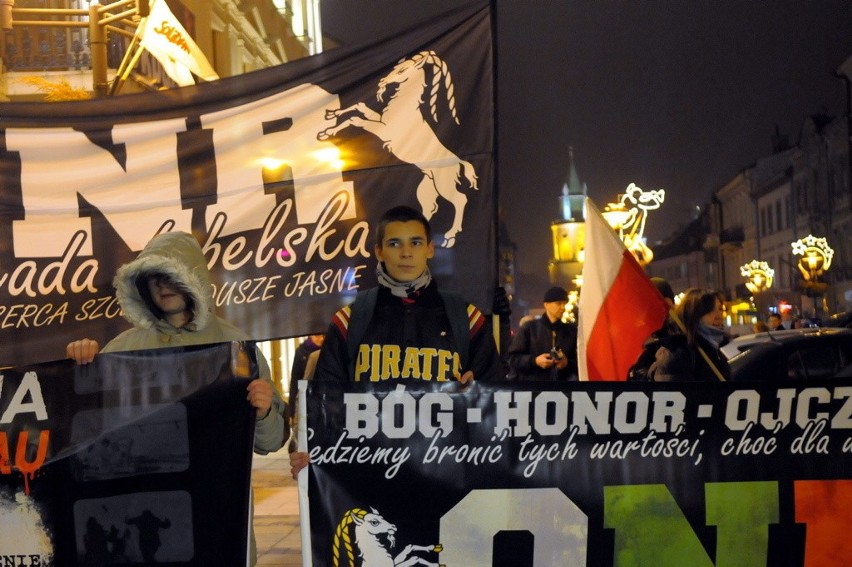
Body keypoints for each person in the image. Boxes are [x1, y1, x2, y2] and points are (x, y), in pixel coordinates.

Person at [66, 231, 287, 566]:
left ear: (194, 278)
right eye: (153, 279)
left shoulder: (235, 350)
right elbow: (87, 436)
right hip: (141, 529)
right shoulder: (121, 350)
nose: (163, 286)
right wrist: (82, 370)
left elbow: (269, 442)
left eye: (172, 275)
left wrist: (265, 410)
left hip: (215, 525)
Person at [290, 205, 502, 476]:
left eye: (415, 242)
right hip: (368, 476)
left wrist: (478, 390)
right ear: (379, 251)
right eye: (394, 243)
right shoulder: (350, 320)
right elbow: (324, 403)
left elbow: (498, 403)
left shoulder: (466, 318)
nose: (405, 253)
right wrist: (307, 452)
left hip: (445, 475)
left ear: (429, 249)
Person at [647, 288, 731, 382]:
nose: (719, 316)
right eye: (710, 311)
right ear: (695, 315)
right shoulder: (677, 354)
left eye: (720, 309)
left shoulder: (713, 349)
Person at [506, 286, 578, 380]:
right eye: (558, 303)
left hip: (562, 389)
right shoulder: (529, 328)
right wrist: (535, 361)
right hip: (534, 388)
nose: (563, 308)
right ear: (546, 305)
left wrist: (567, 363)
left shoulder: (571, 331)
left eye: (565, 303)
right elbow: (512, 359)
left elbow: (580, 362)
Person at [626, 277, 678, 381]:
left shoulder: (681, 336)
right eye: (654, 304)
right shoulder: (640, 340)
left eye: (664, 303)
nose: (660, 308)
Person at [287, 334, 324, 451]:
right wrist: (292, 412)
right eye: (317, 335)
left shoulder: (329, 351)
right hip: (311, 401)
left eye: (323, 335)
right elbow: (296, 382)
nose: (320, 338)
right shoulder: (304, 353)